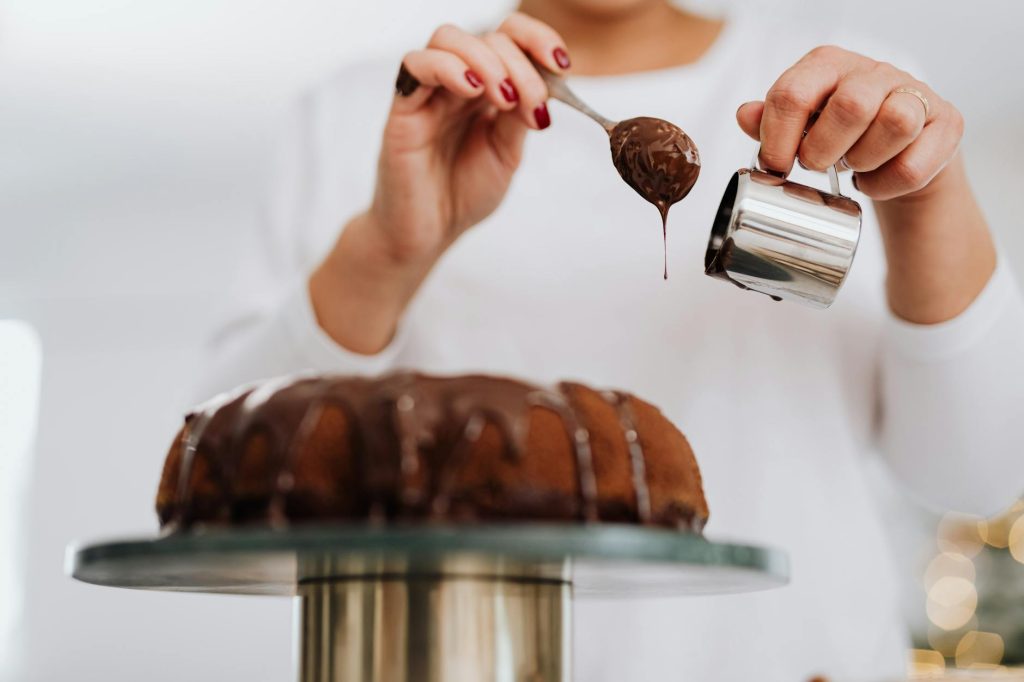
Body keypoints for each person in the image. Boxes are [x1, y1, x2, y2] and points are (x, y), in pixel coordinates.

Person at [195, 1, 1024, 679]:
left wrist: (922, 200)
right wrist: (387, 249)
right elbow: (221, 476)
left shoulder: (854, 106)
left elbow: (978, 473)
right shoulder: (364, 115)